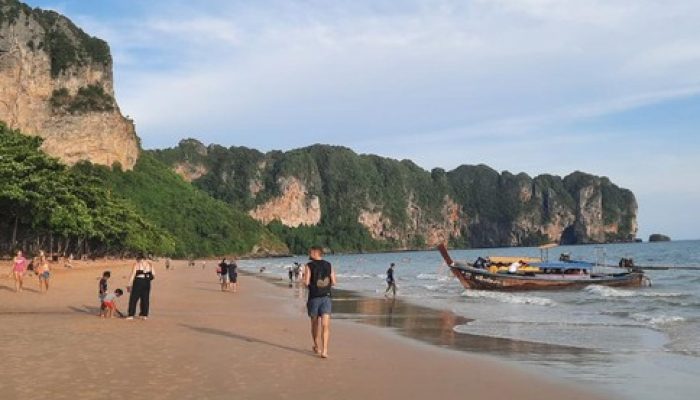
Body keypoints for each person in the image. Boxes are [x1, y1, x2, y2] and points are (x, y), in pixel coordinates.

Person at [304, 246, 336, 359]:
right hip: (326, 297)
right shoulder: (329, 264)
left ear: (315, 252)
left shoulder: (308, 265)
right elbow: (334, 282)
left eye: (310, 252)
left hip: (314, 298)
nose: (308, 253)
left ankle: (317, 346)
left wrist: (314, 287)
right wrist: (325, 286)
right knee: (325, 325)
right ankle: (325, 351)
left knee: (314, 324)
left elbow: (306, 282)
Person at [126, 254, 155, 320]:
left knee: (134, 298)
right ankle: (144, 315)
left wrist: (129, 284)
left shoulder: (137, 264)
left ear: (138, 258)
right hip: (147, 282)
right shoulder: (150, 264)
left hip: (138, 281)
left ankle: (131, 314)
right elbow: (153, 274)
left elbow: (133, 274)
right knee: (145, 298)